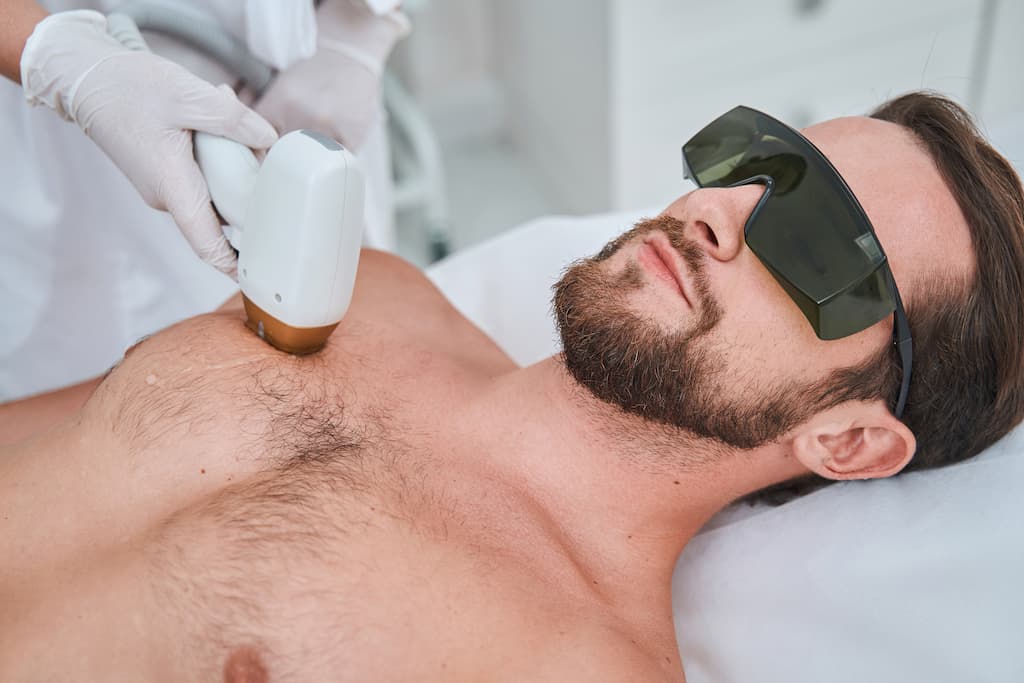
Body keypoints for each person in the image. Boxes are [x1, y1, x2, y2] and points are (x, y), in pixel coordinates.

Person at [1, 92, 1022, 680]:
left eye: (817, 243)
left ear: (847, 441)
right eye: (762, 164)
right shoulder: (370, 295)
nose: (721, 211)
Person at [0, 0, 409, 402]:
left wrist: (357, 28)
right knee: (87, 391)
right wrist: (57, 56)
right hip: (78, 98)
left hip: (322, 74)